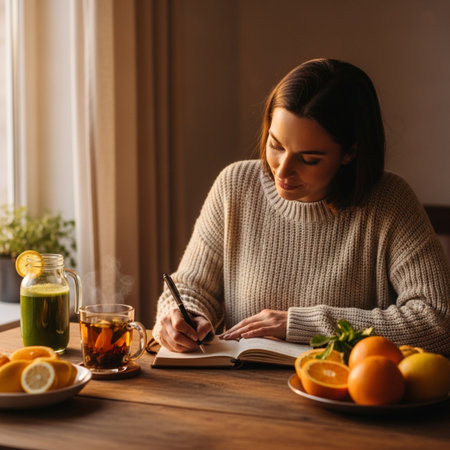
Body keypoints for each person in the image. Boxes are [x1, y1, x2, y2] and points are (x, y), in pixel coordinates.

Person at [152, 58, 450, 355]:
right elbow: (191, 287)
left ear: (350, 152)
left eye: (309, 159)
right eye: (276, 145)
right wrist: (182, 317)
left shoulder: (390, 202)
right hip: (240, 390)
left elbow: (438, 321)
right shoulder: (235, 186)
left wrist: (300, 325)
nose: (282, 171)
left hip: (346, 391)